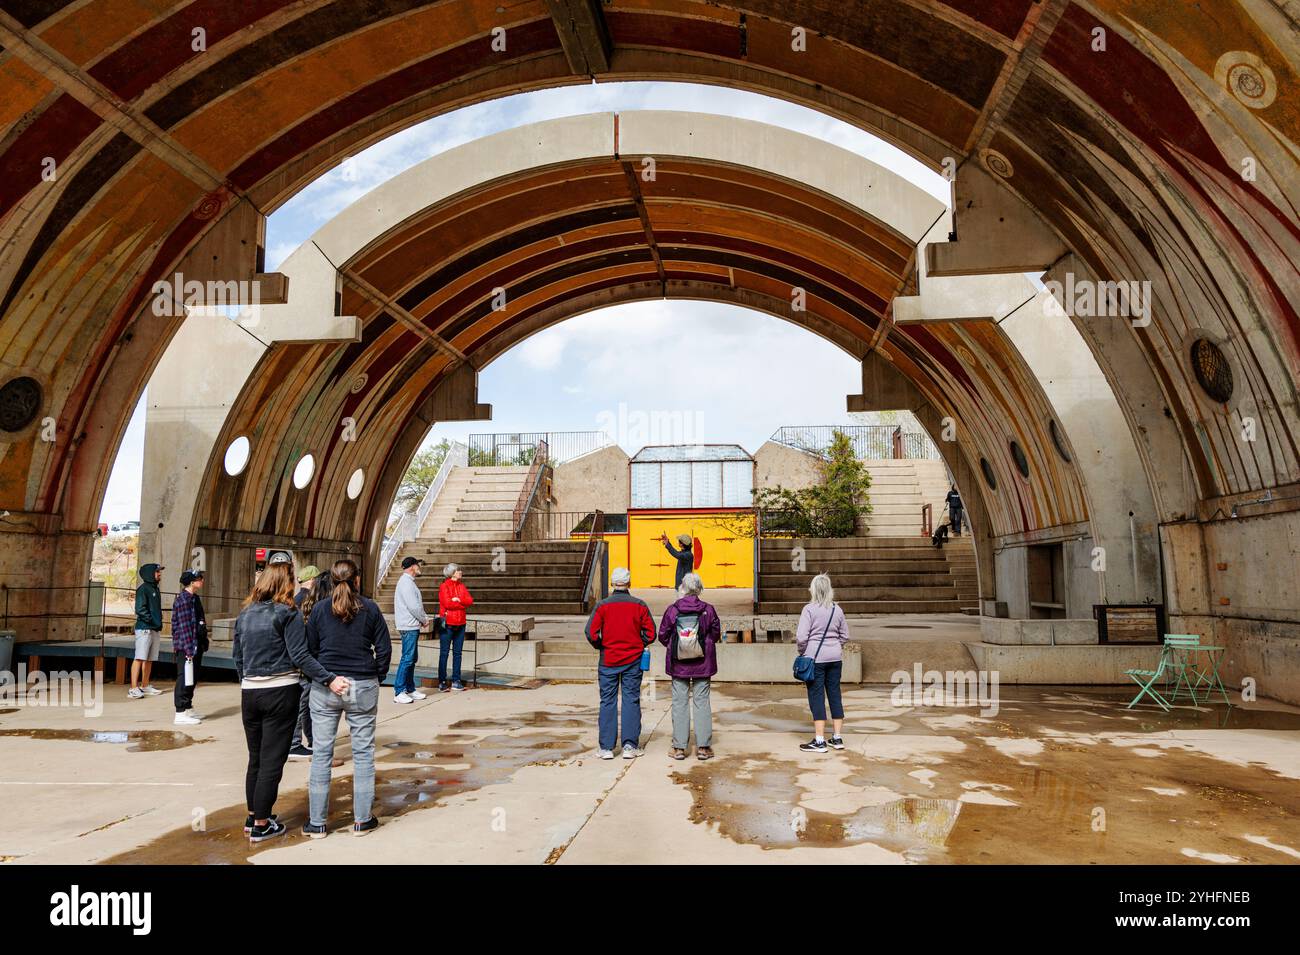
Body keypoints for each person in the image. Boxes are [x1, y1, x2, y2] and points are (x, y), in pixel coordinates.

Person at [302, 559, 391, 838]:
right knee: (363, 754)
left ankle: (317, 823)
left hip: (327, 687)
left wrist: (326, 678)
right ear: (357, 580)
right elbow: (384, 648)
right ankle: (362, 821)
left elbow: (309, 651)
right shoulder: (370, 608)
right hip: (362, 684)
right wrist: (376, 676)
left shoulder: (318, 610)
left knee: (322, 754)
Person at [232, 560, 319, 843]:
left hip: (250, 692)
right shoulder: (288, 613)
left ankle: (253, 815)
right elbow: (299, 655)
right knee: (272, 760)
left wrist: (248, 679)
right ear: (287, 583)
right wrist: (328, 678)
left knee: (255, 758)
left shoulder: (245, 615)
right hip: (281, 690)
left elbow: (238, 657)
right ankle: (261, 824)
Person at [585, 567, 655, 760]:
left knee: (607, 700)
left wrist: (601, 645)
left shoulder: (603, 606)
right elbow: (651, 633)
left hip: (608, 659)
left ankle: (607, 747)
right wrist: (639, 642)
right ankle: (629, 746)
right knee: (631, 699)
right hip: (633, 659)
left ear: (612, 584)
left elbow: (591, 632)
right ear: (629, 583)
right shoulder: (639, 605)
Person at [657, 571, 722, 760]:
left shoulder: (673, 610)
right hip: (703, 662)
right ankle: (703, 748)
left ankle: (679, 748)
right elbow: (716, 632)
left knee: (679, 703)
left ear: (683, 588)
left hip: (679, 665)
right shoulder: (708, 609)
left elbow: (662, 634)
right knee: (701, 702)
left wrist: (676, 647)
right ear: (699, 588)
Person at [795, 573, 850, 753]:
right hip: (835, 658)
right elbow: (845, 636)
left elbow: (802, 637)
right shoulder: (837, 609)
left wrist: (803, 651)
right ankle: (837, 737)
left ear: (813, 589)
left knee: (816, 696)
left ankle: (819, 740)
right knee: (835, 694)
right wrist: (834, 646)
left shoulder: (809, 609)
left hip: (815, 659)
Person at [288, 565, 323, 760]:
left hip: (299, 661)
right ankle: (295, 744)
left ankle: (309, 740)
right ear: (312, 580)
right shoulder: (307, 601)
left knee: (306, 705)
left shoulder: (294, 601)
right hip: (304, 662)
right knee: (303, 706)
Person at [393, 556, 430, 703]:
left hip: (410, 625)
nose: (419, 567)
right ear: (412, 567)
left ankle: (410, 688)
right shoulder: (406, 584)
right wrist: (424, 619)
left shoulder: (407, 582)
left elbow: (415, 605)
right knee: (407, 659)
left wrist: (422, 617)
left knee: (411, 659)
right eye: (417, 565)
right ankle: (399, 691)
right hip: (408, 626)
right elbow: (413, 606)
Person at [171, 570, 206, 724]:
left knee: (193, 676)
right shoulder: (184, 600)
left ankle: (188, 707)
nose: (202, 580)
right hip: (187, 646)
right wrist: (188, 649)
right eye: (199, 579)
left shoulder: (194, 598)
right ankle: (180, 712)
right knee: (184, 677)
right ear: (192, 582)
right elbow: (184, 627)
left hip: (196, 644)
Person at [129, 563, 164, 699]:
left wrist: (157, 623)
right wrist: (152, 621)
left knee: (150, 659)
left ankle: (145, 685)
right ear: (150, 573)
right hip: (144, 629)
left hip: (154, 628)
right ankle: (133, 688)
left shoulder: (155, 588)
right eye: (157, 572)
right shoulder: (143, 589)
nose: (159, 574)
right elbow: (140, 609)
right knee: (139, 657)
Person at [437, 563, 473, 691]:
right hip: (447, 624)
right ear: (452, 573)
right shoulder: (444, 586)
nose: (460, 572)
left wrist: (459, 600)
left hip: (461, 623)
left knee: (458, 654)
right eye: (458, 570)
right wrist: (460, 603)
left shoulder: (461, 586)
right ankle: (442, 681)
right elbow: (447, 603)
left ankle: (456, 680)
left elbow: (470, 600)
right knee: (444, 653)